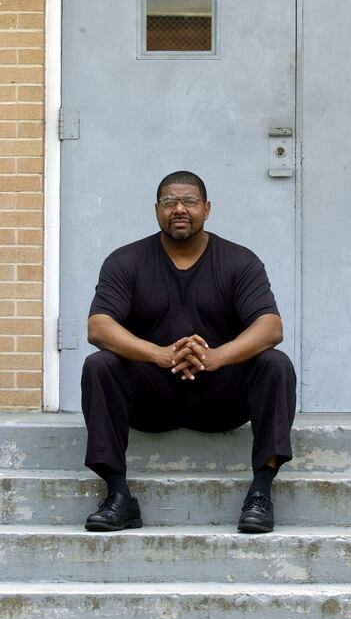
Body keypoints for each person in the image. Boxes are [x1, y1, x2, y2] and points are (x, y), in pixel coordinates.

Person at [81, 169, 296, 534]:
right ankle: (118, 495)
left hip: (220, 396)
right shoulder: (126, 261)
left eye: (190, 201)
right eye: (169, 202)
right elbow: (98, 327)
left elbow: (270, 327)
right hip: (151, 398)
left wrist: (215, 357)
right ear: (157, 209)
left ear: (207, 208)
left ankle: (260, 493)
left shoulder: (239, 261)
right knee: (99, 365)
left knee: (276, 364)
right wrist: (161, 355)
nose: (179, 209)